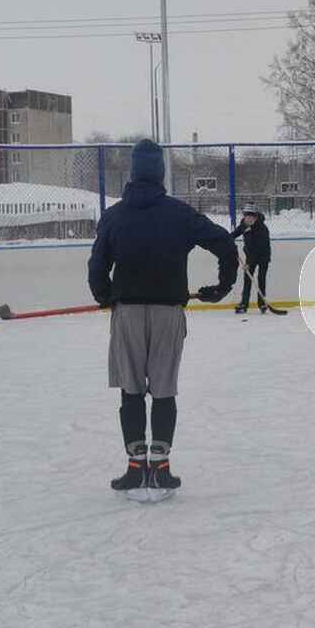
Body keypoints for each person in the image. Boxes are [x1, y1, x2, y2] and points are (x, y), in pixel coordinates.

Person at [88, 140, 240, 491]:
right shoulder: (179, 214)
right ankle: (161, 467)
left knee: (130, 390)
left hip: (127, 313)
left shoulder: (114, 216)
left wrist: (104, 295)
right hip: (168, 313)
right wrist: (221, 287)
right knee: (163, 390)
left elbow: (97, 265)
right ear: (160, 174)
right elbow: (225, 244)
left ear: (132, 172)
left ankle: (135, 466)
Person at [231, 205, 273, 314]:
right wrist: (226, 240)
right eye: (246, 216)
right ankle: (244, 304)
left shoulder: (262, 229)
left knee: (261, 279)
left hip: (262, 256)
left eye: (251, 217)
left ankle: (262, 303)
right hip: (250, 255)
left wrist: (249, 263)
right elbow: (234, 234)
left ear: (255, 218)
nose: (248, 219)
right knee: (247, 279)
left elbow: (258, 249)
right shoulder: (244, 225)